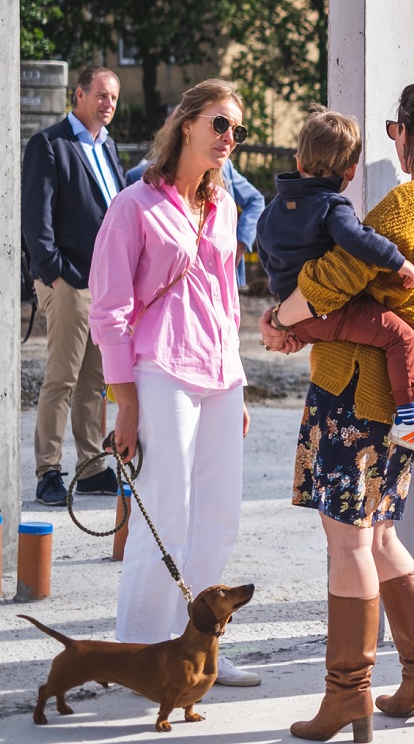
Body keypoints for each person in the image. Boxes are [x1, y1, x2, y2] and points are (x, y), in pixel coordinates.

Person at [260, 80, 414, 739]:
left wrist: (280, 317)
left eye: (394, 131)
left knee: (348, 538)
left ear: (404, 134)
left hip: (358, 385)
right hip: (405, 385)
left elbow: (339, 273)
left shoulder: (411, 198)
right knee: (379, 534)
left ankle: (348, 694)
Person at [88, 78, 259, 687]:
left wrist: (233, 378)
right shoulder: (133, 205)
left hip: (219, 375)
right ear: (186, 124)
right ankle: (136, 654)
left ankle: (199, 649)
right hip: (160, 369)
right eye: (220, 124)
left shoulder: (225, 205)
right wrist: (123, 403)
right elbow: (107, 310)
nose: (230, 138)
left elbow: (227, 302)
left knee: (219, 517)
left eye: (238, 130)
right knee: (167, 510)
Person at [256, 106, 414, 456]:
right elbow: (357, 241)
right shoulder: (333, 206)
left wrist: (287, 310)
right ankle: (409, 420)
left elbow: (266, 255)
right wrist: (398, 262)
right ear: (350, 170)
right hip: (333, 312)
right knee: (400, 338)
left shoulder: (272, 209)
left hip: (300, 315)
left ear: (299, 162)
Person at [21, 64, 125, 507]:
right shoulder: (50, 144)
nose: (108, 105)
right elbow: (35, 218)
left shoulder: (108, 146)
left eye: (114, 99)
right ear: (78, 96)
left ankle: (91, 468)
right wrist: (54, 272)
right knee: (62, 377)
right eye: (101, 95)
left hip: (105, 284)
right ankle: (48, 470)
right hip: (67, 281)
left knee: (95, 382)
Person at [129, 150, 263, 289]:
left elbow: (256, 201)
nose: (228, 138)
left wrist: (241, 242)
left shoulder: (224, 165)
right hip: (173, 288)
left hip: (222, 283)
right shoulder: (139, 177)